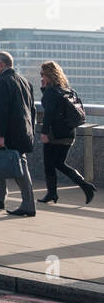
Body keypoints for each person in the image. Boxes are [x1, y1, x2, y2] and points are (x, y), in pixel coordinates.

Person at [0, 51, 37, 216]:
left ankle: (28, 204)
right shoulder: (24, 81)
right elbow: (32, 109)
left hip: (10, 132)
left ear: (1, 65)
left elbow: (0, 110)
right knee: (3, 160)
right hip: (24, 130)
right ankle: (0, 198)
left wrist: (0, 135)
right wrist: (31, 130)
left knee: (19, 167)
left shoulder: (2, 82)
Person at [38, 61, 96, 204]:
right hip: (69, 133)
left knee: (49, 164)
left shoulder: (51, 92)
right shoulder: (67, 90)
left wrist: (44, 133)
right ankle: (84, 186)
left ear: (49, 75)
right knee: (59, 163)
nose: (41, 77)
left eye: (42, 74)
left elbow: (49, 114)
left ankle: (52, 193)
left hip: (54, 134)